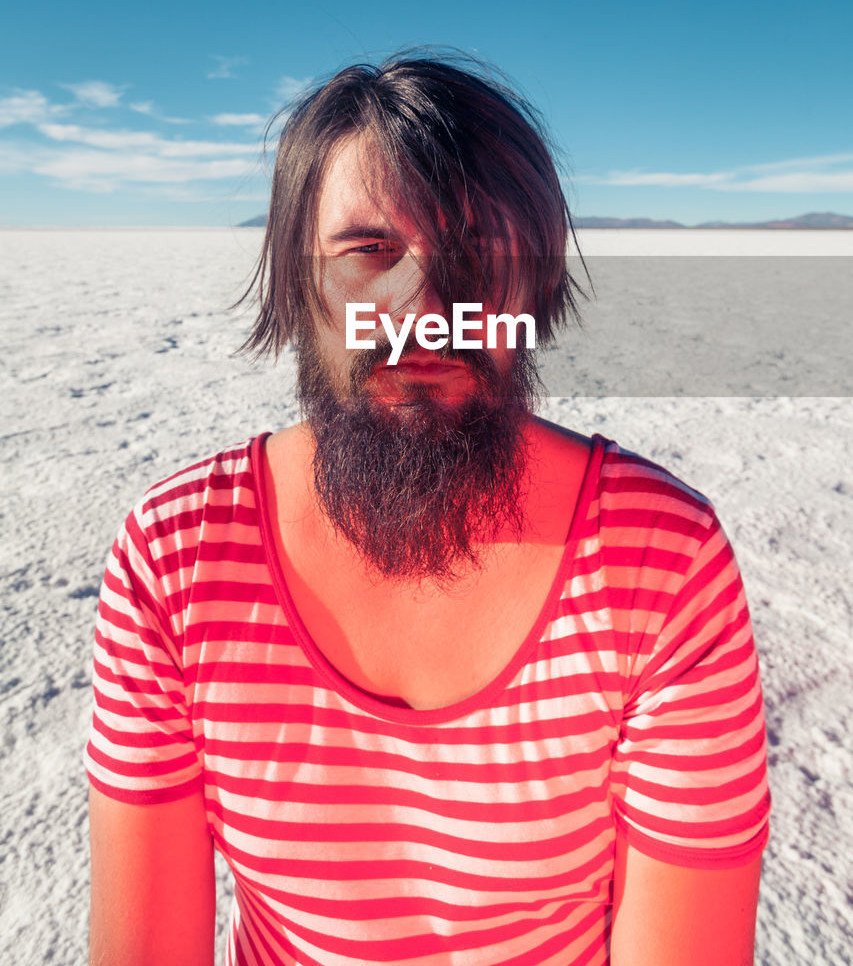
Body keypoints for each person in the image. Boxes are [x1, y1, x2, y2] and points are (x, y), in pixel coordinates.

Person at [86, 53, 771, 966]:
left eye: (481, 254)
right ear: (297, 281)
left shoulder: (657, 567)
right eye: (368, 250)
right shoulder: (178, 563)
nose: (423, 308)